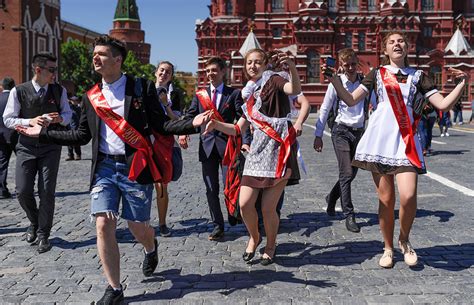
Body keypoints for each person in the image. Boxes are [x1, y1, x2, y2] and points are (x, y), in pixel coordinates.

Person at [16, 35, 210, 304]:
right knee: (104, 223)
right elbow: (81, 135)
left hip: (135, 168)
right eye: (94, 54)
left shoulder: (141, 88)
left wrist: (192, 124)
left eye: (102, 54)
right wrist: (45, 132)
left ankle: (150, 247)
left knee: (137, 227)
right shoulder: (91, 96)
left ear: (117, 60)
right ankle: (114, 288)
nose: (95, 58)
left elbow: (161, 125)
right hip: (105, 167)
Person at [324, 31, 468, 268]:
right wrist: (334, 80)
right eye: (392, 42)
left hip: (406, 143)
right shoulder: (377, 74)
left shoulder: (419, 76)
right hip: (380, 142)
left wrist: (463, 83)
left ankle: (405, 240)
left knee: (409, 196)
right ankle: (388, 247)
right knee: (387, 200)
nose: (397, 44)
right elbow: (350, 100)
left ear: (407, 47)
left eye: (401, 41)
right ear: (385, 50)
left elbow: (442, 104)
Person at [205, 49, 310, 265]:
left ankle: (270, 245)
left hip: (278, 150)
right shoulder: (251, 94)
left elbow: (294, 89)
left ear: (265, 64)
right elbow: (237, 129)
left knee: (268, 208)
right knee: (244, 204)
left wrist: (291, 67)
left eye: (257, 62)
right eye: (249, 62)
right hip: (256, 152)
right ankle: (255, 236)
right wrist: (215, 124)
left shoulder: (274, 79)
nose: (252, 66)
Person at [3, 53, 72, 253]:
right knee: (22, 190)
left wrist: (60, 119)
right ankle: (34, 221)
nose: (55, 74)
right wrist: (29, 121)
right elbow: (8, 119)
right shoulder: (19, 91)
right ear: (38, 70)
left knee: (47, 191)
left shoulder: (59, 91)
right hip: (25, 146)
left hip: (51, 145)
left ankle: (43, 234)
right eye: (52, 70)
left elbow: (68, 114)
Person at [178, 57, 250, 241]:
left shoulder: (233, 94)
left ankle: (233, 212)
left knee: (231, 185)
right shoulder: (200, 95)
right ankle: (218, 225)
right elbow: (191, 116)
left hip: (228, 148)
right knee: (211, 189)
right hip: (207, 147)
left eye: (214, 70)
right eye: (207, 70)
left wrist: (245, 141)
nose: (210, 74)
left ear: (223, 72)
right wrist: (183, 133)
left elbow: (244, 120)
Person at [313, 48, 367, 233]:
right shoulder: (335, 84)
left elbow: (376, 105)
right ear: (341, 66)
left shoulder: (364, 84)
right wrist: (318, 135)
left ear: (357, 63)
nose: (351, 68)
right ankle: (349, 214)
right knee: (345, 172)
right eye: (347, 65)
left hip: (359, 132)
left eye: (353, 64)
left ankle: (331, 197)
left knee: (351, 173)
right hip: (341, 131)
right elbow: (325, 109)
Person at [153, 61, 184, 237]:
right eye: (162, 70)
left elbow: (176, 120)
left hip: (164, 141)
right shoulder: (145, 90)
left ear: (171, 76)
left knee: (161, 184)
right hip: (145, 140)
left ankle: (162, 223)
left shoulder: (175, 94)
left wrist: (165, 104)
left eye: (168, 72)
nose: (164, 73)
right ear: (156, 72)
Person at [0, 77, 16, 199]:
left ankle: (2, 189)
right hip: (15, 134)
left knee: (2, 162)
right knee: (23, 161)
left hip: (1, 136)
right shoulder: (16, 97)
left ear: (2, 86)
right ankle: (25, 187)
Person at [66, 95, 82, 161]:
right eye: (73, 100)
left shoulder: (79, 108)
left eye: (75, 100)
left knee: (76, 142)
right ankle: (70, 155)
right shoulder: (69, 107)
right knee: (68, 142)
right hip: (69, 127)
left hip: (76, 127)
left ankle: (78, 155)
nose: (74, 102)